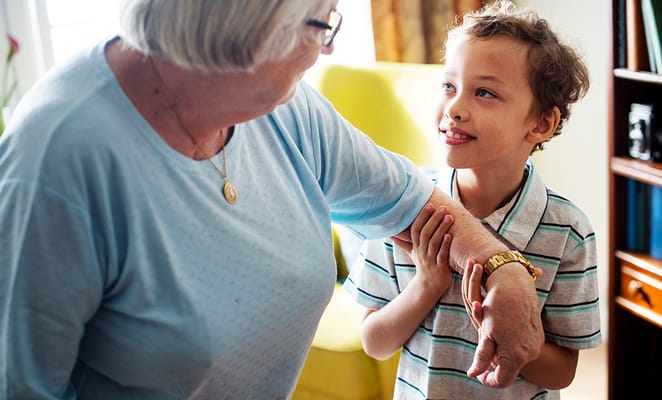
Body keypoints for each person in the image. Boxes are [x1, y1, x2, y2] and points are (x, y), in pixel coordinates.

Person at [0, 1, 542, 398]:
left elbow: (411, 200)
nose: (329, 47)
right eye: (320, 22)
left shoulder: (284, 108)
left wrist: (505, 268)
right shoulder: (55, 165)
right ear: (246, 25)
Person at [343, 1, 602, 399]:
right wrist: (426, 285)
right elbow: (375, 342)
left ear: (540, 123)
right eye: (449, 86)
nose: (455, 108)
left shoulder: (568, 231)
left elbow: (563, 371)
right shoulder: (404, 205)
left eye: (484, 92)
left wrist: (503, 325)